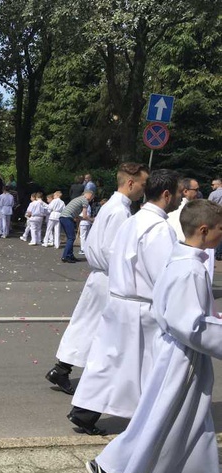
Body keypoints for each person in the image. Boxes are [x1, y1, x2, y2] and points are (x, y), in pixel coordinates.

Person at [86, 199, 222, 473]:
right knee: (160, 416)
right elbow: (190, 324)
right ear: (204, 230)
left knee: (198, 421)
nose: (221, 235)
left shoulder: (183, 258)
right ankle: (112, 468)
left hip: (184, 353)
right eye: (219, 229)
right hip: (182, 357)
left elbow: (190, 315)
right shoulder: (191, 269)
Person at [68, 170, 182, 435]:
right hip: (140, 306)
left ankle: (85, 412)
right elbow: (163, 274)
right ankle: (149, 421)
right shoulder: (158, 229)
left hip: (121, 299)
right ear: (167, 195)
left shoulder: (135, 220)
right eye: (178, 193)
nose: (179, 198)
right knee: (145, 368)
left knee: (108, 363)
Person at [45, 163, 149, 395]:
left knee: (87, 324)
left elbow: (94, 242)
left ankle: (62, 369)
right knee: (105, 331)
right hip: (111, 277)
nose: (144, 190)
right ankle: (92, 379)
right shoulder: (120, 211)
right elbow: (116, 250)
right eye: (143, 184)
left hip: (101, 275)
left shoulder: (111, 206)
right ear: (130, 183)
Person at [168, 178, 214, 279]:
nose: (198, 193)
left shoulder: (177, 210)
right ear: (185, 191)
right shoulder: (186, 211)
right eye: (196, 190)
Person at [58, 190, 94, 263]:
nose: (91, 199)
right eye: (91, 196)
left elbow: (77, 217)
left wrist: (84, 219)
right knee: (71, 238)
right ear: (88, 194)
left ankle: (70, 255)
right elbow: (84, 216)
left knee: (70, 238)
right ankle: (65, 256)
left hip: (63, 217)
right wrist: (92, 219)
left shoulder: (78, 199)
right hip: (67, 218)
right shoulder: (85, 200)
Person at [207, 178, 222, 261]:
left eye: (213, 184)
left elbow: (208, 204)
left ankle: (218, 254)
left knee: (217, 233)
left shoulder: (213, 194)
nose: (211, 186)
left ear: (218, 184)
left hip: (216, 216)